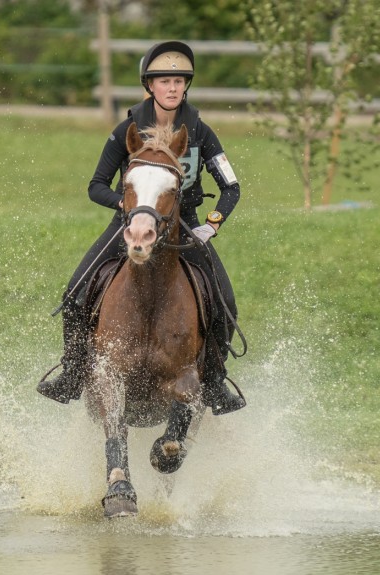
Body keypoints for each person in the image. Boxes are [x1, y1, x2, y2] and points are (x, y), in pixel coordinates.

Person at [38, 41, 246, 416]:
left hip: (186, 228)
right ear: (149, 86)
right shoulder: (126, 129)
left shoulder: (200, 131)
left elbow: (231, 188)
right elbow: (96, 185)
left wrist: (211, 227)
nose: (172, 88)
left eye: (179, 81)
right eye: (164, 80)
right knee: (74, 293)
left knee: (226, 302)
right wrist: (128, 208)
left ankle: (214, 382)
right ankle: (71, 372)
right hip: (130, 225)